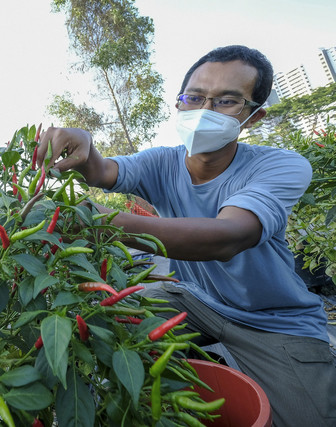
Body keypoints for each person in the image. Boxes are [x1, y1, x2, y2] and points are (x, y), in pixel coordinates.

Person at [37, 45, 336, 427]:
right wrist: (84, 146)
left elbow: (228, 236)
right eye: (194, 97)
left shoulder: (280, 165)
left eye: (227, 101)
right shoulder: (162, 161)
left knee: (309, 420)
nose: (204, 110)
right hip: (195, 299)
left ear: (254, 116)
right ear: (178, 103)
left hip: (272, 320)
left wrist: (101, 222)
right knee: (99, 317)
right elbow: (101, 172)